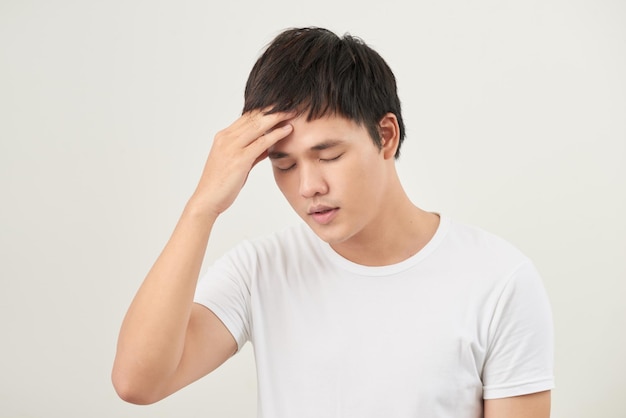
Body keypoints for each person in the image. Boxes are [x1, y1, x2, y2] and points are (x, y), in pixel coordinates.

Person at [112, 27, 554, 417]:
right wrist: (201, 208)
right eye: (283, 165)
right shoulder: (261, 270)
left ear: (385, 135)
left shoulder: (498, 280)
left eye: (329, 156)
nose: (308, 186)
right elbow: (138, 383)